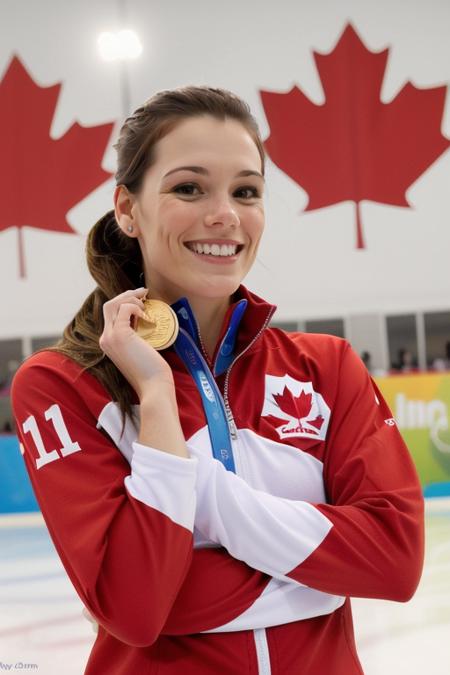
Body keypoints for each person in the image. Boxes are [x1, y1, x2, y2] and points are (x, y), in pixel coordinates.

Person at [11, 87, 424, 675]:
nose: (225, 214)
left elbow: (396, 561)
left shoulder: (328, 367)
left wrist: (204, 502)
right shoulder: (63, 385)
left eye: (246, 191)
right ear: (128, 209)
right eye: (188, 187)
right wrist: (155, 398)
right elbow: (134, 606)